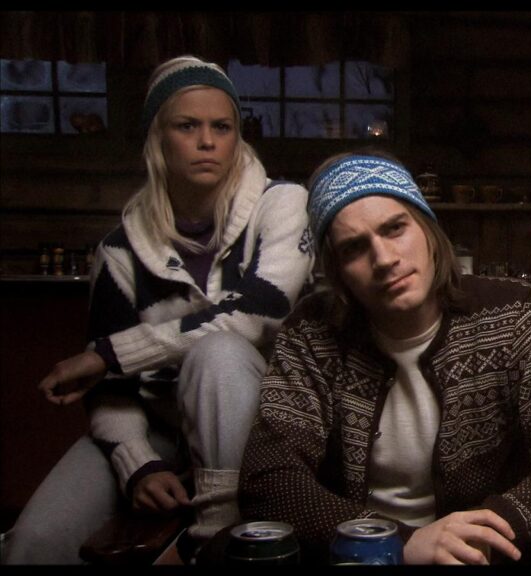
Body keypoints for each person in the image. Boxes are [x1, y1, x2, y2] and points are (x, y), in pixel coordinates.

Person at [238, 151, 531, 565]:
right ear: (337, 271)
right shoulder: (312, 333)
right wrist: (400, 542)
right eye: (354, 248)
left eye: (395, 228)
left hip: (489, 551)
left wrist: (485, 530)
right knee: (227, 548)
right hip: (368, 555)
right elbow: (268, 479)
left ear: (427, 228)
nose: (384, 259)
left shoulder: (514, 311)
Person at [2, 55, 314, 564]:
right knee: (33, 544)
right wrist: (139, 465)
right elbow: (110, 389)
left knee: (218, 353)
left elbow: (261, 312)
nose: (207, 141)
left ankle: (216, 544)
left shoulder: (282, 204)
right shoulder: (120, 252)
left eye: (222, 127)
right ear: (157, 138)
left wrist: (109, 353)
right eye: (187, 126)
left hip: (261, 419)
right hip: (160, 425)